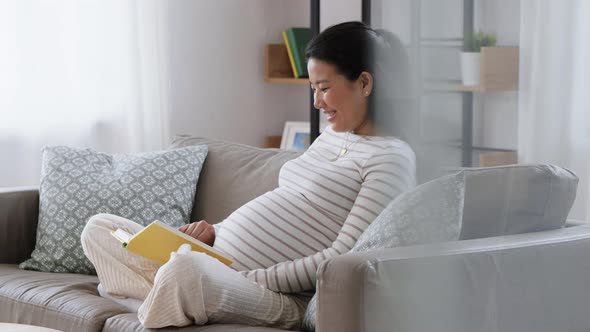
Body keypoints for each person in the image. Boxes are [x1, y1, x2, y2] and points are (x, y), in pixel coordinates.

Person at [80, 21, 416, 330]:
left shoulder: (391, 159)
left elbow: (339, 259)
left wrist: (247, 277)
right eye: (313, 88)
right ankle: (165, 297)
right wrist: (212, 235)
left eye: (324, 88)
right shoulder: (334, 135)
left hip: (279, 296)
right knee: (102, 228)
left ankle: (156, 294)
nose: (316, 102)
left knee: (186, 272)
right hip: (220, 265)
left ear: (365, 82)